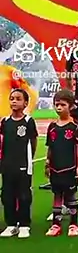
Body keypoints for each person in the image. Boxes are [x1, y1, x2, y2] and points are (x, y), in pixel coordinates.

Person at [45, 89, 78, 237]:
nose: (59, 108)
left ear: (71, 106)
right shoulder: (52, 126)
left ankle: (73, 224)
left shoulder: (75, 126)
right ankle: (56, 224)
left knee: (71, 195)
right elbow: (50, 146)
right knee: (57, 195)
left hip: (70, 167)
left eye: (62, 105)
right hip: (55, 167)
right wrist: (47, 163)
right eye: (57, 105)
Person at [0, 88, 38, 238]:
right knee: (7, 195)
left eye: (18, 99)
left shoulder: (28, 121)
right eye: (12, 99)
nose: (14, 101)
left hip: (23, 165)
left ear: (25, 103)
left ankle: (24, 224)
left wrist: (29, 159)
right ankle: (11, 224)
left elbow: (33, 141)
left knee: (24, 195)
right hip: (7, 165)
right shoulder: (5, 122)